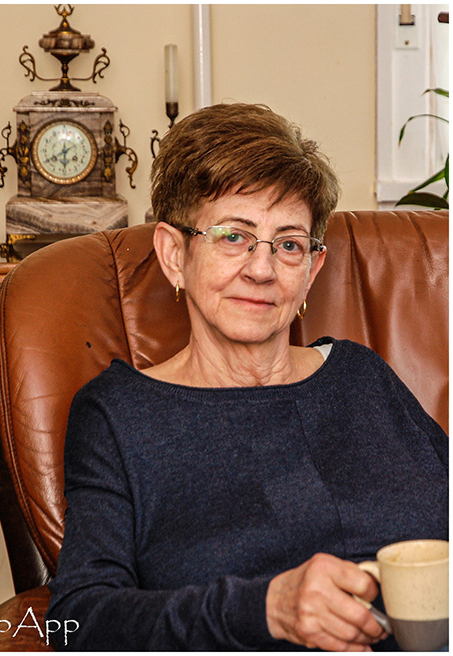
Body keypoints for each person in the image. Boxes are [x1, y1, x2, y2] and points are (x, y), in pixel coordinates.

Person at [46, 103, 448, 651]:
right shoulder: (119, 416)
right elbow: (76, 621)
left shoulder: (361, 376)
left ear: (312, 269)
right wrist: (265, 610)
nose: (262, 269)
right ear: (174, 254)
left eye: (289, 244)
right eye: (233, 236)